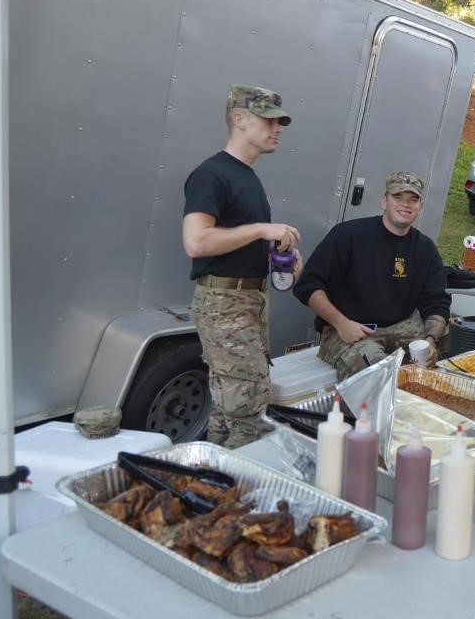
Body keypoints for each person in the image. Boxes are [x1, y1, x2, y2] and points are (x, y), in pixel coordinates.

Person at [182, 84, 302, 449]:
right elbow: (197, 242)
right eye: (268, 120)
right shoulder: (212, 175)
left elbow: (236, 243)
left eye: (280, 121)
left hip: (248, 305)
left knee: (226, 409)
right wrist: (262, 229)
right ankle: (246, 491)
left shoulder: (248, 177)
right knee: (249, 411)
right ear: (239, 119)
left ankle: (213, 481)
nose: (277, 128)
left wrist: (281, 258)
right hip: (224, 307)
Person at [293, 171, 450, 380]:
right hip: (351, 327)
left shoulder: (425, 249)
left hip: (401, 325)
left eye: (413, 200)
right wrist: (341, 323)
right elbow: (308, 285)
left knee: (444, 342)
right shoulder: (349, 235)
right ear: (384, 201)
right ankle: (363, 412)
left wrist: (431, 341)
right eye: (398, 197)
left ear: (420, 207)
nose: (406, 205)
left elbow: (436, 301)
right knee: (378, 372)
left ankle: (423, 407)